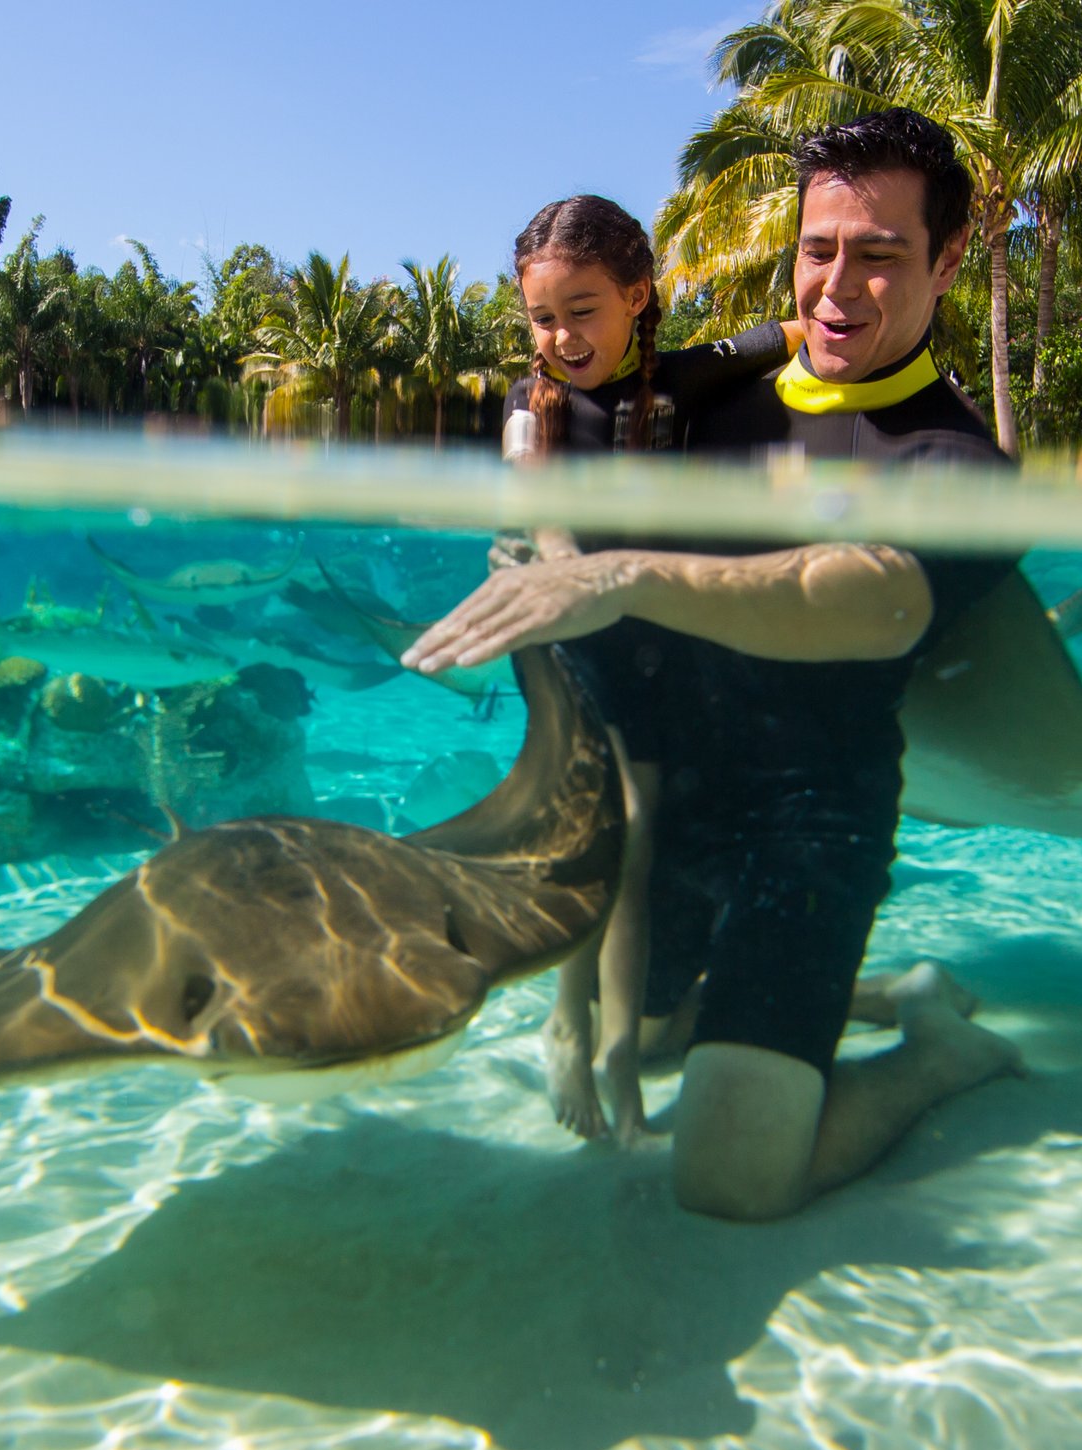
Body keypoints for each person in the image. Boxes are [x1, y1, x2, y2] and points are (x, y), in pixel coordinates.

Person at [409, 109, 1023, 1222]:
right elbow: (563, 449)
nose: (837, 286)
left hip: (809, 819)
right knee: (632, 1048)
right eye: (818, 249)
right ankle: (858, 995)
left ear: (946, 260)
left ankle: (938, 1050)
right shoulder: (705, 403)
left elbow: (871, 603)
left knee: (731, 1175)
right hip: (676, 804)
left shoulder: (953, 457)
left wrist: (620, 575)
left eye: (879, 256)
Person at [492, 195, 799, 1149]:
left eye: (584, 310)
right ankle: (567, 1019)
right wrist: (562, 569)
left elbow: (790, 331)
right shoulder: (526, 403)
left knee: (635, 848)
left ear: (637, 297)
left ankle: (618, 1047)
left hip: (658, 645)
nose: (561, 336)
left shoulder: (685, 381)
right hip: (570, 632)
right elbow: (535, 505)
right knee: (586, 834)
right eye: (543, 317)